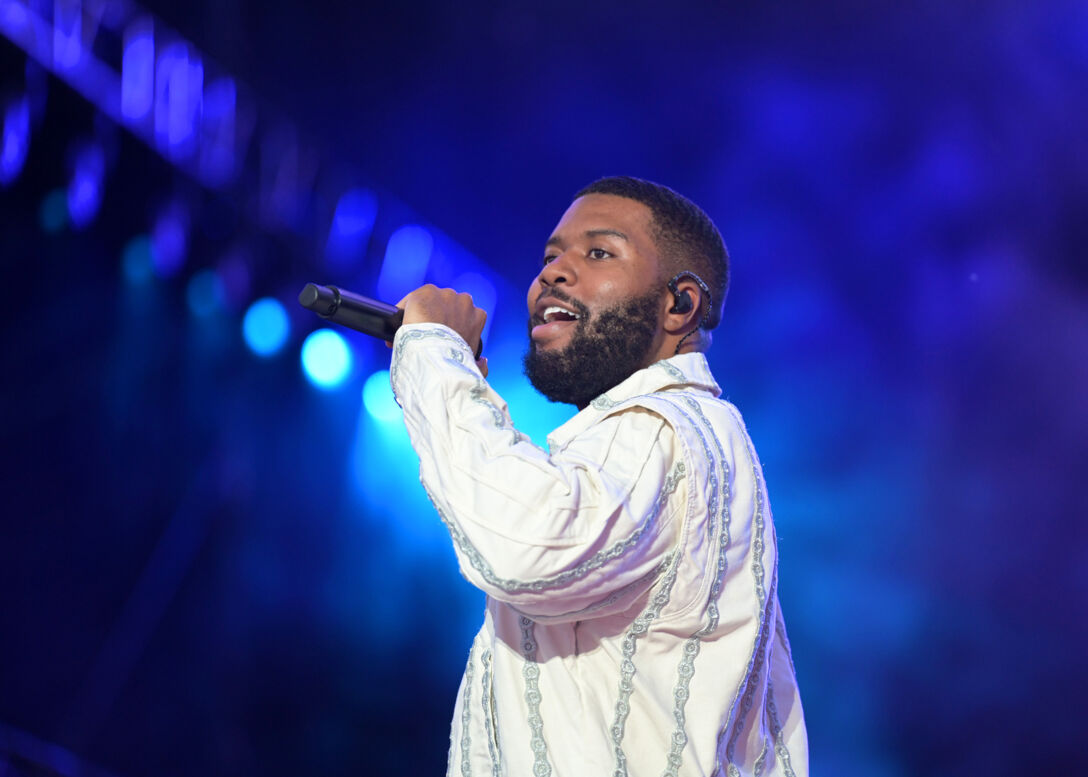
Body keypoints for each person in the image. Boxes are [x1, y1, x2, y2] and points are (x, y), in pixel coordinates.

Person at [389, 176, 807, 776]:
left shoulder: (661, 428)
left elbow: (523, 542)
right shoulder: (688, 435)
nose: (554, 273)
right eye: (550, 256)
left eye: (599, 253)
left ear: (680, 304)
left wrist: (432, 352)